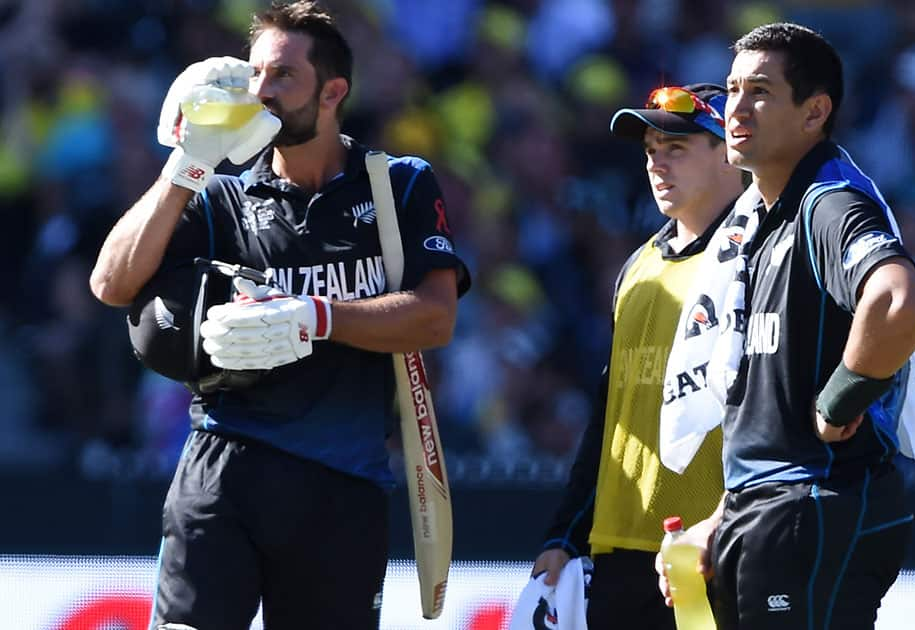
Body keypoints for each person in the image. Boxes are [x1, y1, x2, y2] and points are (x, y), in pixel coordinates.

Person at [89, 2, 468, 629]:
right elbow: (110, 283)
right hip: (222, 466)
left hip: (342, 482)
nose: (260, 91)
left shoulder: (398, 183)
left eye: (283, 75)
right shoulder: (222, 196)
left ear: (333, 92)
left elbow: (435, 320)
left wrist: (314, 316)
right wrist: (185, 164)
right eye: (255, 73)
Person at [654, 23, 915, 630]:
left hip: (813, 507)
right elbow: (770, 411)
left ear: (815, 113)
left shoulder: (828, 201)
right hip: (767, 509)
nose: (737, 108)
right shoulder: (761, 215)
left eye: (760, 91)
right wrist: (722, 518)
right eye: (731, 90)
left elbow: (899, 299)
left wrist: (841, 399)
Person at [530, 83, 746, 629]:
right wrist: (565, 533)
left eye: (676, 148)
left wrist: (726, 527)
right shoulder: (637, 267)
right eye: (651, 150)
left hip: (716, 552)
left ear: (728, 152)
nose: (657, 164)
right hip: (619, 551)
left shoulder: (760, 261)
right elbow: (611, 413)